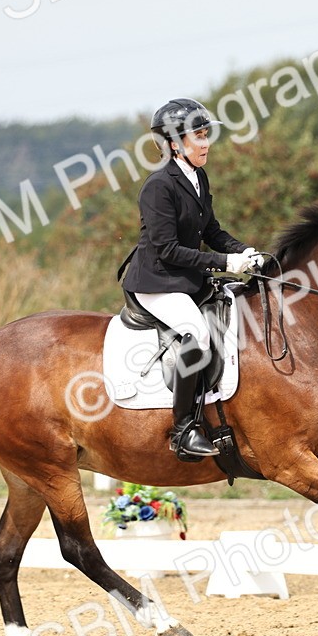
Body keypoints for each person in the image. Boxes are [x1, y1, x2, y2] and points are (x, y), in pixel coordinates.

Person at [119, 98, 264, 459]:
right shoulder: (159, 186)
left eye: (206, 134)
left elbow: (211, 230)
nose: (206, 143)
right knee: (195, 333)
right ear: (174, 143)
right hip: (156, 281)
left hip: (186, 279)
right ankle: (183, 431)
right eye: (198, 136)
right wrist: (225, 262)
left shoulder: (198, 176)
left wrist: (246, 253)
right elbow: (167, 250)